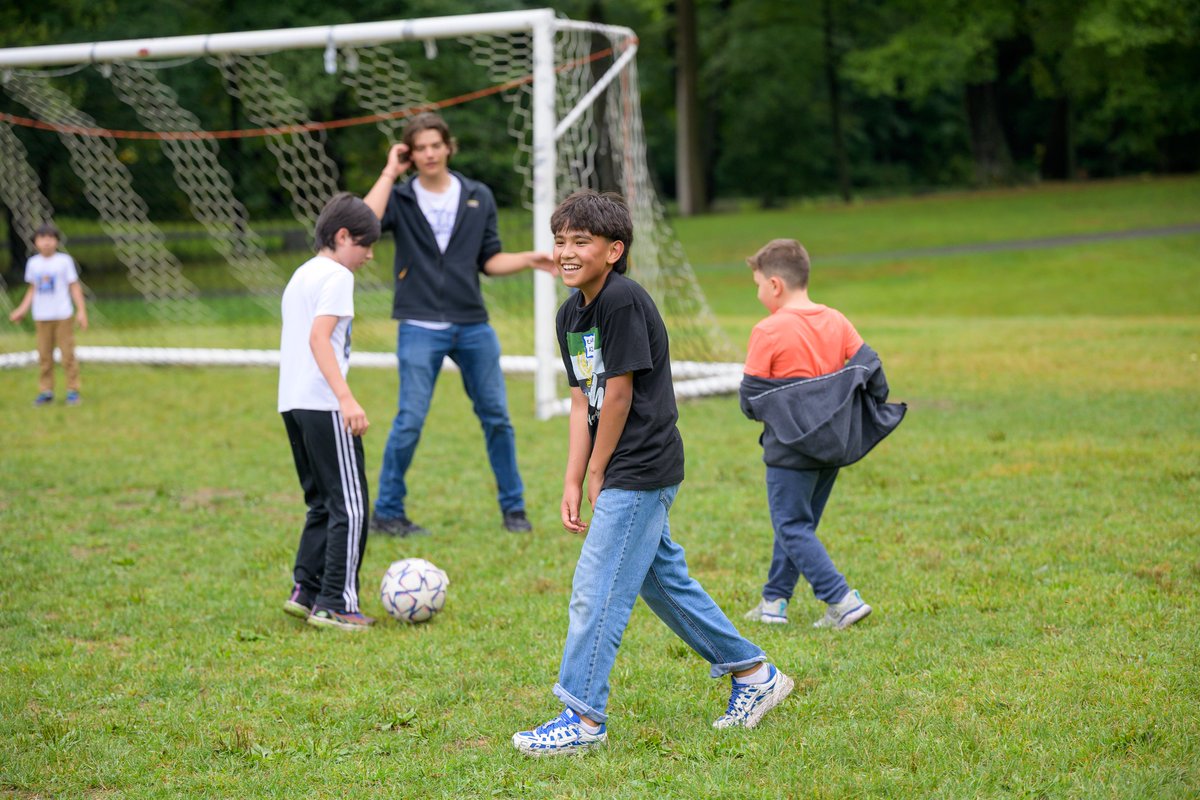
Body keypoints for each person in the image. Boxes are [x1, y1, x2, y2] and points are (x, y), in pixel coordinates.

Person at [511, 190, 793, 757]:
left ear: (614, 250)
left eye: (580, 242)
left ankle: (583, 718)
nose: (566, 252)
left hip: (640, 465)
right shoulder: (572, 313)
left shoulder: (622, 302)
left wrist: (597, 472)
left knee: (596, 591)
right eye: (560, 240)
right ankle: (755, 675)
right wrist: (571, 477)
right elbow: (580, 400)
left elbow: (617, 396)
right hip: (620, 467)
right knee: (663, 584)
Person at [362, 112, 556, 537]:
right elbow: (366, 226)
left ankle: (514, 510)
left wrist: (528, 259)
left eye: (436, 145)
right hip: (418, 323)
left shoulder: (477, 195)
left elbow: (489, 259)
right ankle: (388, 513)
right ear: (409, 154)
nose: (429, 153)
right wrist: (389, 172)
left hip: (472, 324)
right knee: (409, 419)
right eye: (420, 148)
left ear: (448, 147)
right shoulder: (400, 196)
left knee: (498, 417)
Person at [738, 238, 906, 630]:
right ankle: (773, 602)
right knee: (798, 524)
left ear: (775, 285)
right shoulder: (836, 319)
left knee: (790, 524)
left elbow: (749, 398)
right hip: (833, 443)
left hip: (789, 448)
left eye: (759, 284)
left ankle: (841, 599)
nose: (759, 292)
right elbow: (872, 368)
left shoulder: (768, 330)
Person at [278, 193, 380, 633]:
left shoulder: (303, 273)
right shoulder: (337, 275)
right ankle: (336, 603)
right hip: (323, 402)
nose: (369, 255)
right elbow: (320, 340)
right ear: (342, 237)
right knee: (351, 506)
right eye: (364, 244)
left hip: (293, 402)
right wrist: (347, 398)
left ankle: (306, 589)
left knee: (320, 503)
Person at [8, 223, 88, 406]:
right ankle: (46, 391)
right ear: (36, 242)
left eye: (51, 238)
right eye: (42, 238)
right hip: (41, 316)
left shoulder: (64, 261)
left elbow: (74, 286)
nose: (46, 242)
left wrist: (81, 311)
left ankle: (73, 391)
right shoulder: (33, 263)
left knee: (68, 355)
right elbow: (33, 289)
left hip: (62, 315)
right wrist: (22, 309)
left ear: (57, 241)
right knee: (44, 356)